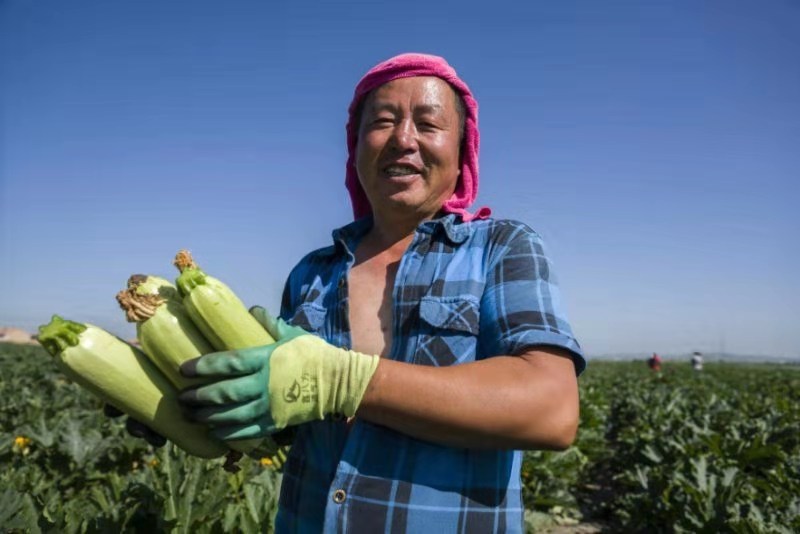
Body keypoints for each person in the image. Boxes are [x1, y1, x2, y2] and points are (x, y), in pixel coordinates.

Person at [127, 53, 586, 533]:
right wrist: (181, 394)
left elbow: (551, 410)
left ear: (462, 151)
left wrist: (341, 380)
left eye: (428, 124)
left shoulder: (501, 248)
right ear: (356, 146)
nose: (403, 139)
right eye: (383, 121)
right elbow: (286, 424)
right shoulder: (312, 273)